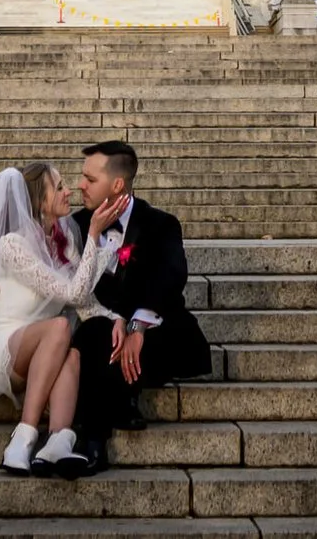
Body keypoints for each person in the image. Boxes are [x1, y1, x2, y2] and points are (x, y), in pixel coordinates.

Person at [0, 164, 124, 477]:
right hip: (1, 347)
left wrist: (117, 320)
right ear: (39, 200)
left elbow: (86, 304)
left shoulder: (62, 243)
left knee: (73, 353)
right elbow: (73, 293)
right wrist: (93, 233)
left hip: (43, 348)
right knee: (61, 327)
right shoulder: (13, 245)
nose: (69, 192)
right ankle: (22, 438)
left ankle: (58, 443)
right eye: (59, 187)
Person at [61, 139, 213, 476]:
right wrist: (116, 322)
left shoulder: (161, 223)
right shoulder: (76, 226)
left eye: (90, 179)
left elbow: (170, 277)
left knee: (110, 341)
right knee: (94, 334)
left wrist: (137, 326)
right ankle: (94, 443)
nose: (80, 185)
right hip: (103, 331)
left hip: (156, 334)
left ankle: (118, 400)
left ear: (117, 185)